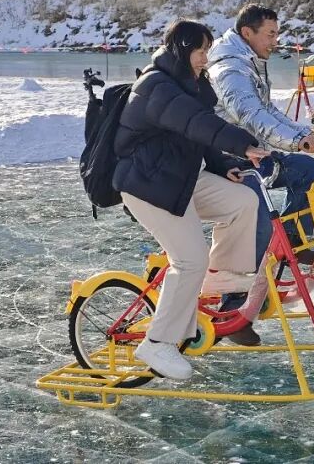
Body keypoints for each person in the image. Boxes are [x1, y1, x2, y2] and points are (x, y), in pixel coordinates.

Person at [113, 20, 270, 379]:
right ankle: (157, 343)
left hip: (181, 178)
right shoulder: (157, 87)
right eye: (201, 51)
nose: (205, 58)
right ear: (182, 50)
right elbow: (197, 123)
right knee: (188, 260)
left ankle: (221, 277)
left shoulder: (192, 85)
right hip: (148, 186)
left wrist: (223, 164)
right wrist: (243, 144)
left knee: (243, 200)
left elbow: (197, 138)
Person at [207, 4, 314, 264]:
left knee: (307, 169)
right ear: (247, 32)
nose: (276, 41)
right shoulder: (230, 69)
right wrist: (297, 141)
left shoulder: (250, 62)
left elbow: (267, 108)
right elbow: (251, 116)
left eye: (277, 34)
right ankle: (238, 291)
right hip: (231, 161)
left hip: (256, 156)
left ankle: (292, 242)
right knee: (258, 218)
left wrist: (303, 133)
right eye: (270, 34)